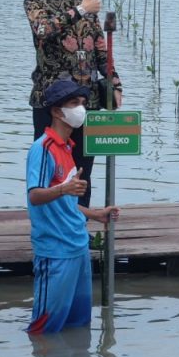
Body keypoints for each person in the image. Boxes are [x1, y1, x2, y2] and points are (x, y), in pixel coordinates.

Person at [25, 0, 123, 209]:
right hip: (51, 100)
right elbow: (42, 30)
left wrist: (115, 83)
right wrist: (80, 11)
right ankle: (50, 227)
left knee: (83, 171)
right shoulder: (37, 0)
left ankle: (81, 227)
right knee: (50, 171)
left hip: (86, 100)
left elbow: (101, 48)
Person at [26, 80, 119, 334]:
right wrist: (63, 189)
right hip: (55, 251)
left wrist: (93, 214)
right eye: (74, 104)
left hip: (78, 246)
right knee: (44, 328)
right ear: (57, 111)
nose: (81, 110)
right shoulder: (43, 148)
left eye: (83, 104)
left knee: (79, 326)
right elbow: (34, 196)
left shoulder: (68, 147)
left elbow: (65, 203)